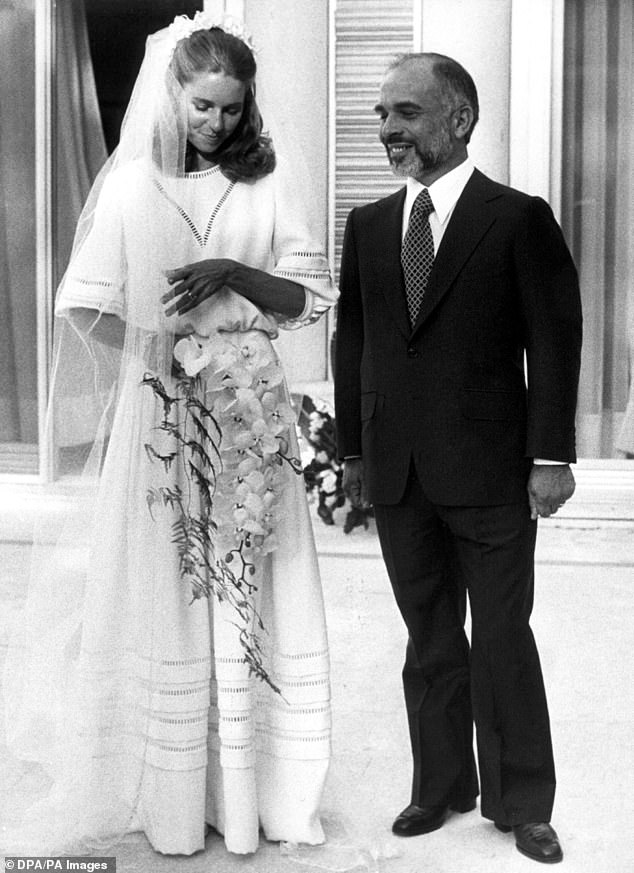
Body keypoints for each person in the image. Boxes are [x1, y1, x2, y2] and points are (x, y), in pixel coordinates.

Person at [3, 13, 336, 857]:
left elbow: (312, 298)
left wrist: (232, 277)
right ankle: (175, 794)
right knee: (171, 583)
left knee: (250, 578)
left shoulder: (267, 183)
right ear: (173, 94)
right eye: (202, 105)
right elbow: (79, 305)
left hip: (252, 412)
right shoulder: (131, 183)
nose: (215, 123)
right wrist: (160, 353)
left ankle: (260, 794)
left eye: (231, 108)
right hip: (164, 410)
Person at [334, 52, 582, 865]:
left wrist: (551, 454)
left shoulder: (517, 218)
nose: (386, 131)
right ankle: (440, 784)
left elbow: (553, 340)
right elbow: (356, 342)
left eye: (403, 112)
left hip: (491, 471)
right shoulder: (370, 225)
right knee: (429, 636)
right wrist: (353, 451)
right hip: (399, 470)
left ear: (459, 119)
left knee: (503, 634)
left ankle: (523, 800)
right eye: (380, 115)